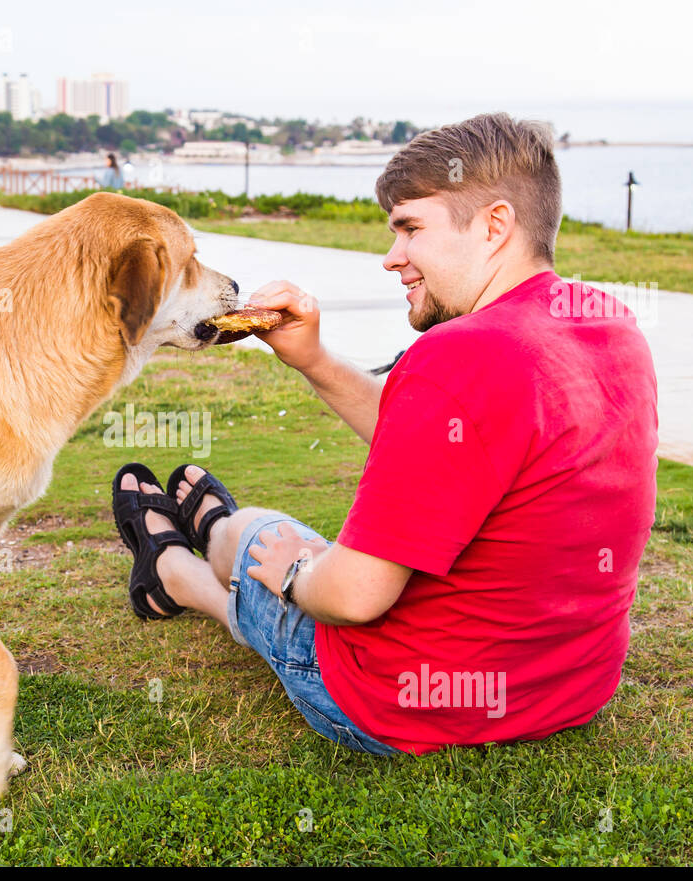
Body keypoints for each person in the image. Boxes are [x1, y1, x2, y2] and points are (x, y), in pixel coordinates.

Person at [110, 112, 658, 757]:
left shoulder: (460, 356)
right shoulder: (608, 326)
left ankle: (175, 572)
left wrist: (294, 573)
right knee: (262, 544)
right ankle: (207, 547)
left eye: (410, 228)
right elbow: (451, 445)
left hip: (405, 705)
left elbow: (352, 598)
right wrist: (314, 361)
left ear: (494, 226)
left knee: (247, 534)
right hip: (566, 693)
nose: (391, 256)